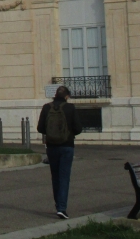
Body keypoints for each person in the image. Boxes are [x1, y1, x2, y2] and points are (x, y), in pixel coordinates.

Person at [36, 85, 82, 220]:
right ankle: (62, 208)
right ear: (66, 96)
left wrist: (52, 132)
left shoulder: (46, 107)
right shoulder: (70, 108)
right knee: (64, 177)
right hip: (67, 146)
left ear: (55, 95)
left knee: (55, 177)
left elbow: (40, 128)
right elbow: (78, 128)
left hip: (51, 147)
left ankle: (58, 205)